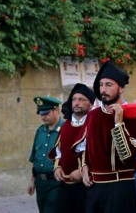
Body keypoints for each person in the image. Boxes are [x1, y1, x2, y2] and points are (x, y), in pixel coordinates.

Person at [80, 61, 136, 213]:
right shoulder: (93, 116)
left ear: (121, 88)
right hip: (94, 189)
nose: (103, 89)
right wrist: (84, 167)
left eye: (109, 85)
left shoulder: (133, 115)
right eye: (101, 85)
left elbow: (127, 156)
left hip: (120, 189)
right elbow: (86, 147)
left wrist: (118, 123)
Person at [51, 84, 95, 213]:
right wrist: (57, 167)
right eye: (74, 99)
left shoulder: (94, 125)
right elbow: (59, 151)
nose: (77, 103)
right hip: (65, 187)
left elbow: (99, 154)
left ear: (90, 104)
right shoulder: (66, 126)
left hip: (87, 187)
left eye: (82, 100)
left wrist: (82, 172)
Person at [28, 96, 64, 213]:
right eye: (41, 114)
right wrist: (32, 181)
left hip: (57, 183)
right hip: (41, 183)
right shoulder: (40, 131)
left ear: (56, 110)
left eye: (46, 113)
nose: (43, 117)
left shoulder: (66, 129)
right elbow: (36, 158)